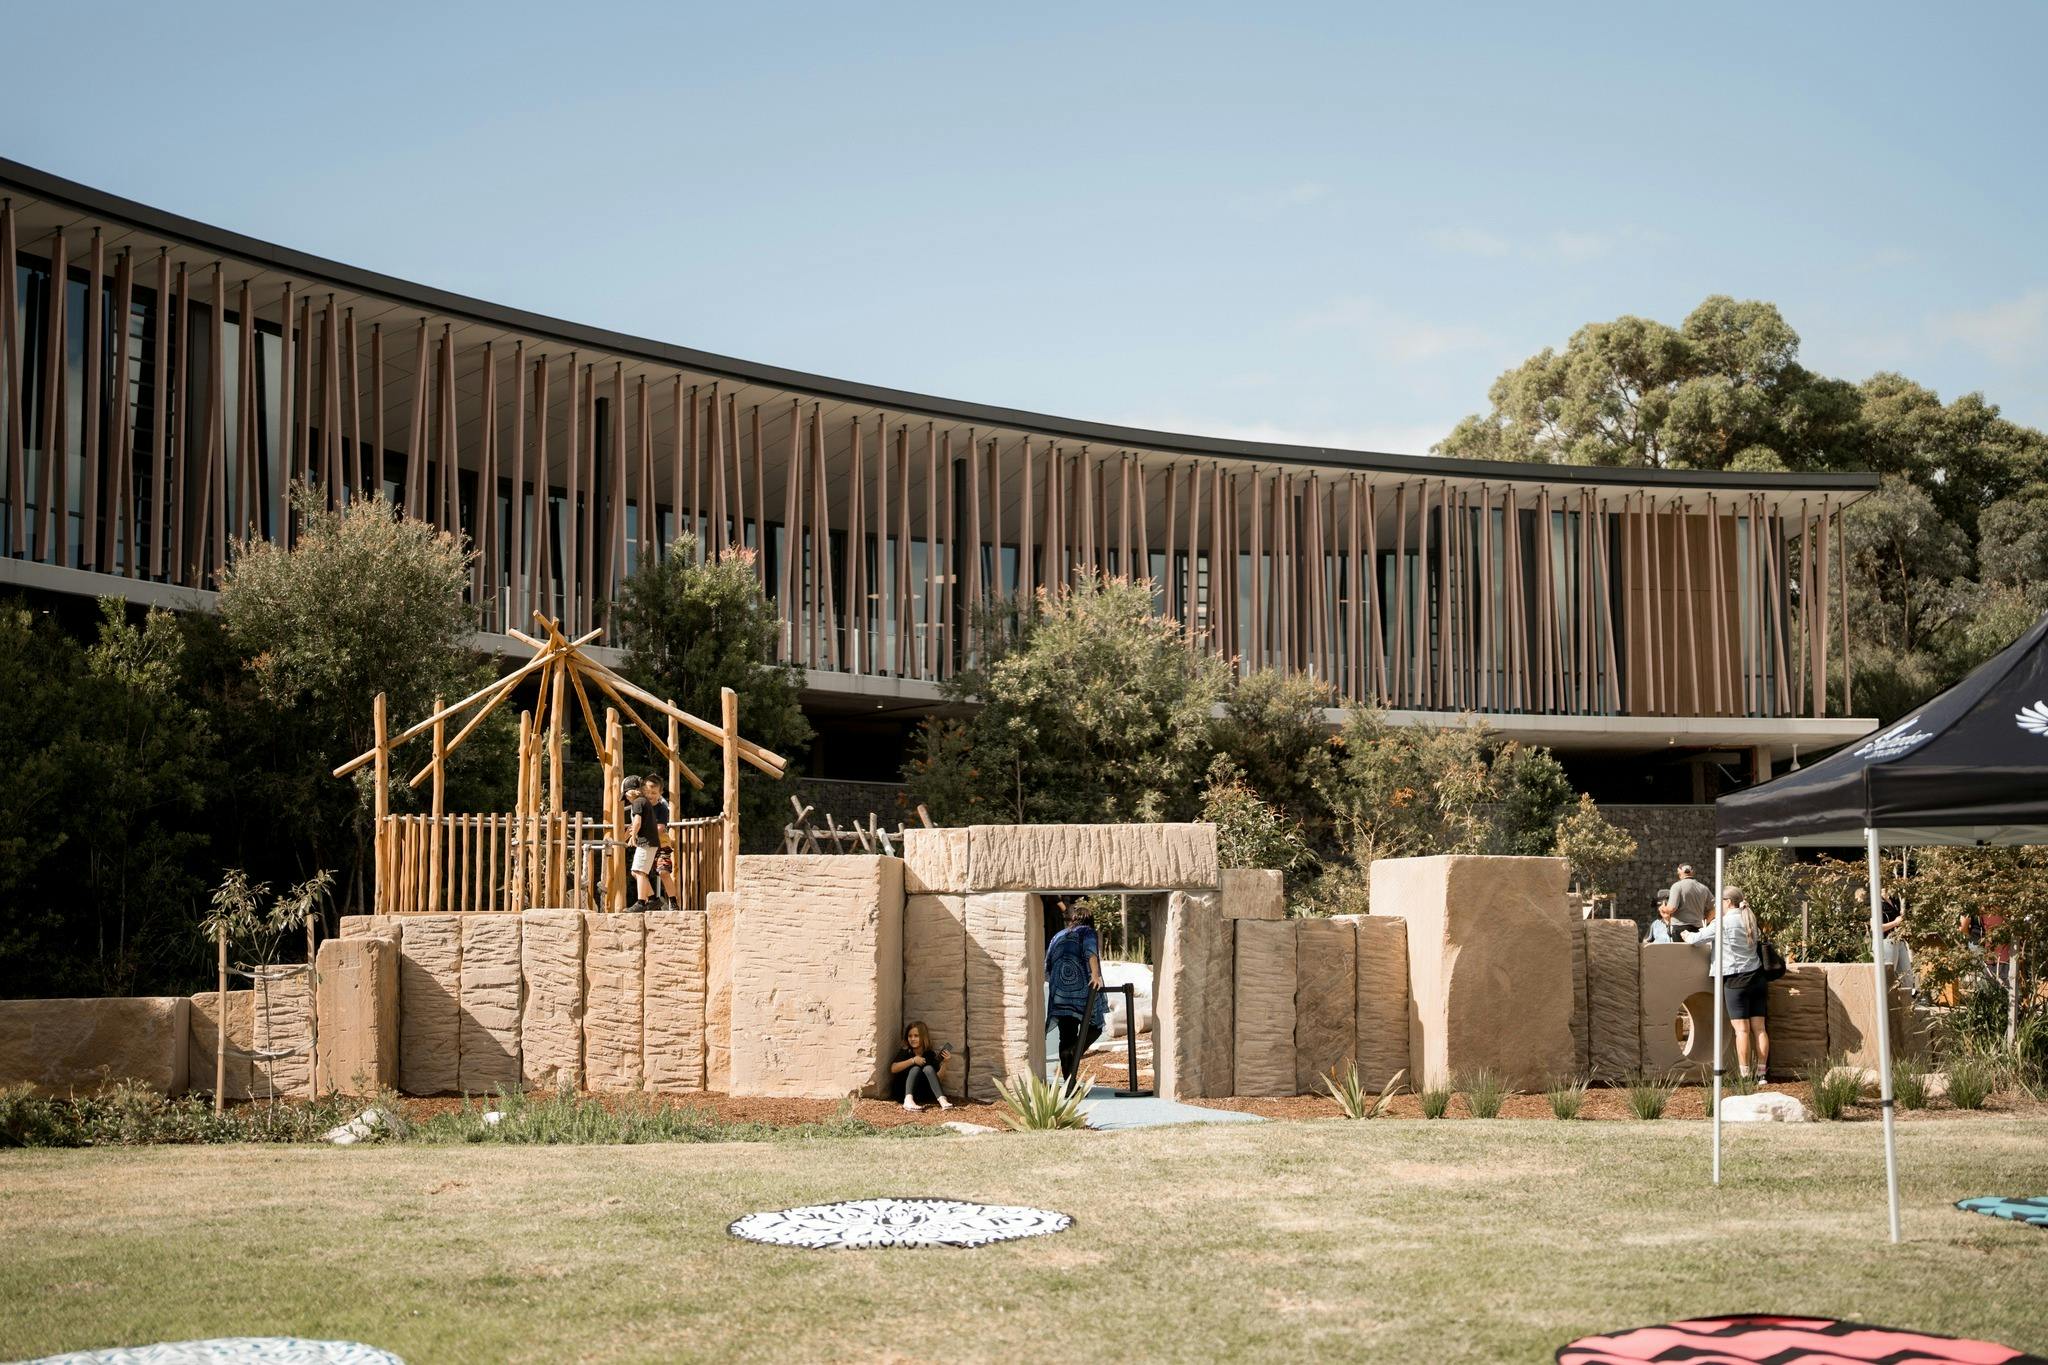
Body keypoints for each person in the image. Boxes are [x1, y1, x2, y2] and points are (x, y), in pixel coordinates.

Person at [1691, 885, 1771, 1082]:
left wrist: (1686, 934)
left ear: (1727, 902)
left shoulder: (1723, 923)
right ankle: (1762, 1074)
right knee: (1760, 1029)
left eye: (1719, 902)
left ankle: (1745, 1076)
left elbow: (1697, 939)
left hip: (1736, 980)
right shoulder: (1750, 919)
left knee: (1742, 1030)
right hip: (1758, 978)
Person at [1044, 898, 1106, 1089]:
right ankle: (1074, 1050)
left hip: (1059, 992)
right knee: (1095, 1027)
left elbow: (1048, 965)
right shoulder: (1087, 931)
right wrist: (1095, 975)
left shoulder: (1058, 935)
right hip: (1081, 989)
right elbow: (1090, 952)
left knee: (1066, 1034)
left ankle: (1070, 1085)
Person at [888, 1020, 954, 1111]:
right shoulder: (906, 1051)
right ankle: (908, 1101)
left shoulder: (929, 1054)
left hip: (922, 1093)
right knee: (915, 1069)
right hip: (903, 1092)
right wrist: (913, 1060)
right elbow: (893, 1068)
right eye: (910, 1036)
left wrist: (945, 1063)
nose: (912, 1039)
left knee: (928, 1068)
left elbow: (938, 1079)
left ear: (923, 1037)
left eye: (916, 1036)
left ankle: (942, 1100)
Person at [627, 775, 669, 911]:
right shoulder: (645, 803)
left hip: (647, 841)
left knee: (640, 871)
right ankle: (653, 899)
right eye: (646, 791)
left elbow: (637, 823)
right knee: (635, 872)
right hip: (647, 841)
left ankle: (641, 902)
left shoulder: (639, 802)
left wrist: (633, 836)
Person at [1666, 864, 1713, 931]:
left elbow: (1672, 908)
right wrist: (1705, 921)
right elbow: (1714, 908)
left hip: (1680, 927)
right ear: (1692, 873)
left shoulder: (1677, 886)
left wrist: (1662, 909)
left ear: (1679, 874)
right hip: (1698, 928)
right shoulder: (1704, 888)